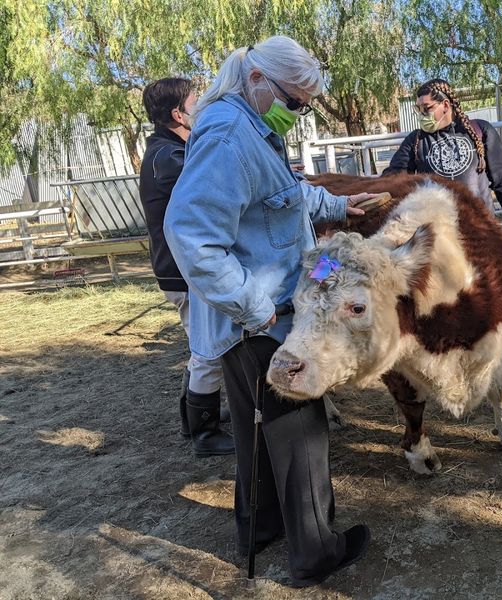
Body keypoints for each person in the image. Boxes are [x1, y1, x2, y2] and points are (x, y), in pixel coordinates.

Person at [163, 36, 372, 587]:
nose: (296, 114)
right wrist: (262, 314)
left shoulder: (253, 130)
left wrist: (340, 206)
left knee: (259, 438)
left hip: (261, 317)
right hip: (264, 321)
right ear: (258, 80)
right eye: (295, 102)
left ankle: (259, 528)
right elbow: (192, 237)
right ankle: (316, 552)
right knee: (303, 433)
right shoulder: (231, 137)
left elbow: (286, 198)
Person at [138, 77, 235, 457]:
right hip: (183, 270)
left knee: (202, 347)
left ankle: (194, 416)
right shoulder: (171, 158)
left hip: (181, 268)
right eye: (197, 101)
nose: (203, 107)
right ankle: (204, 432)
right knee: (208, 351)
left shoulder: (171, 150)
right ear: (179, 113)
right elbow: (215, 186)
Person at [382, 78, 502, 245]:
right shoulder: (415, 141)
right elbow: (394, 175)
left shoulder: (480, 131)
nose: (422, 115)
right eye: (419, 109)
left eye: (427, 108)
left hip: (479, 226)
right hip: (438, 233)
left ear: (445, 105)